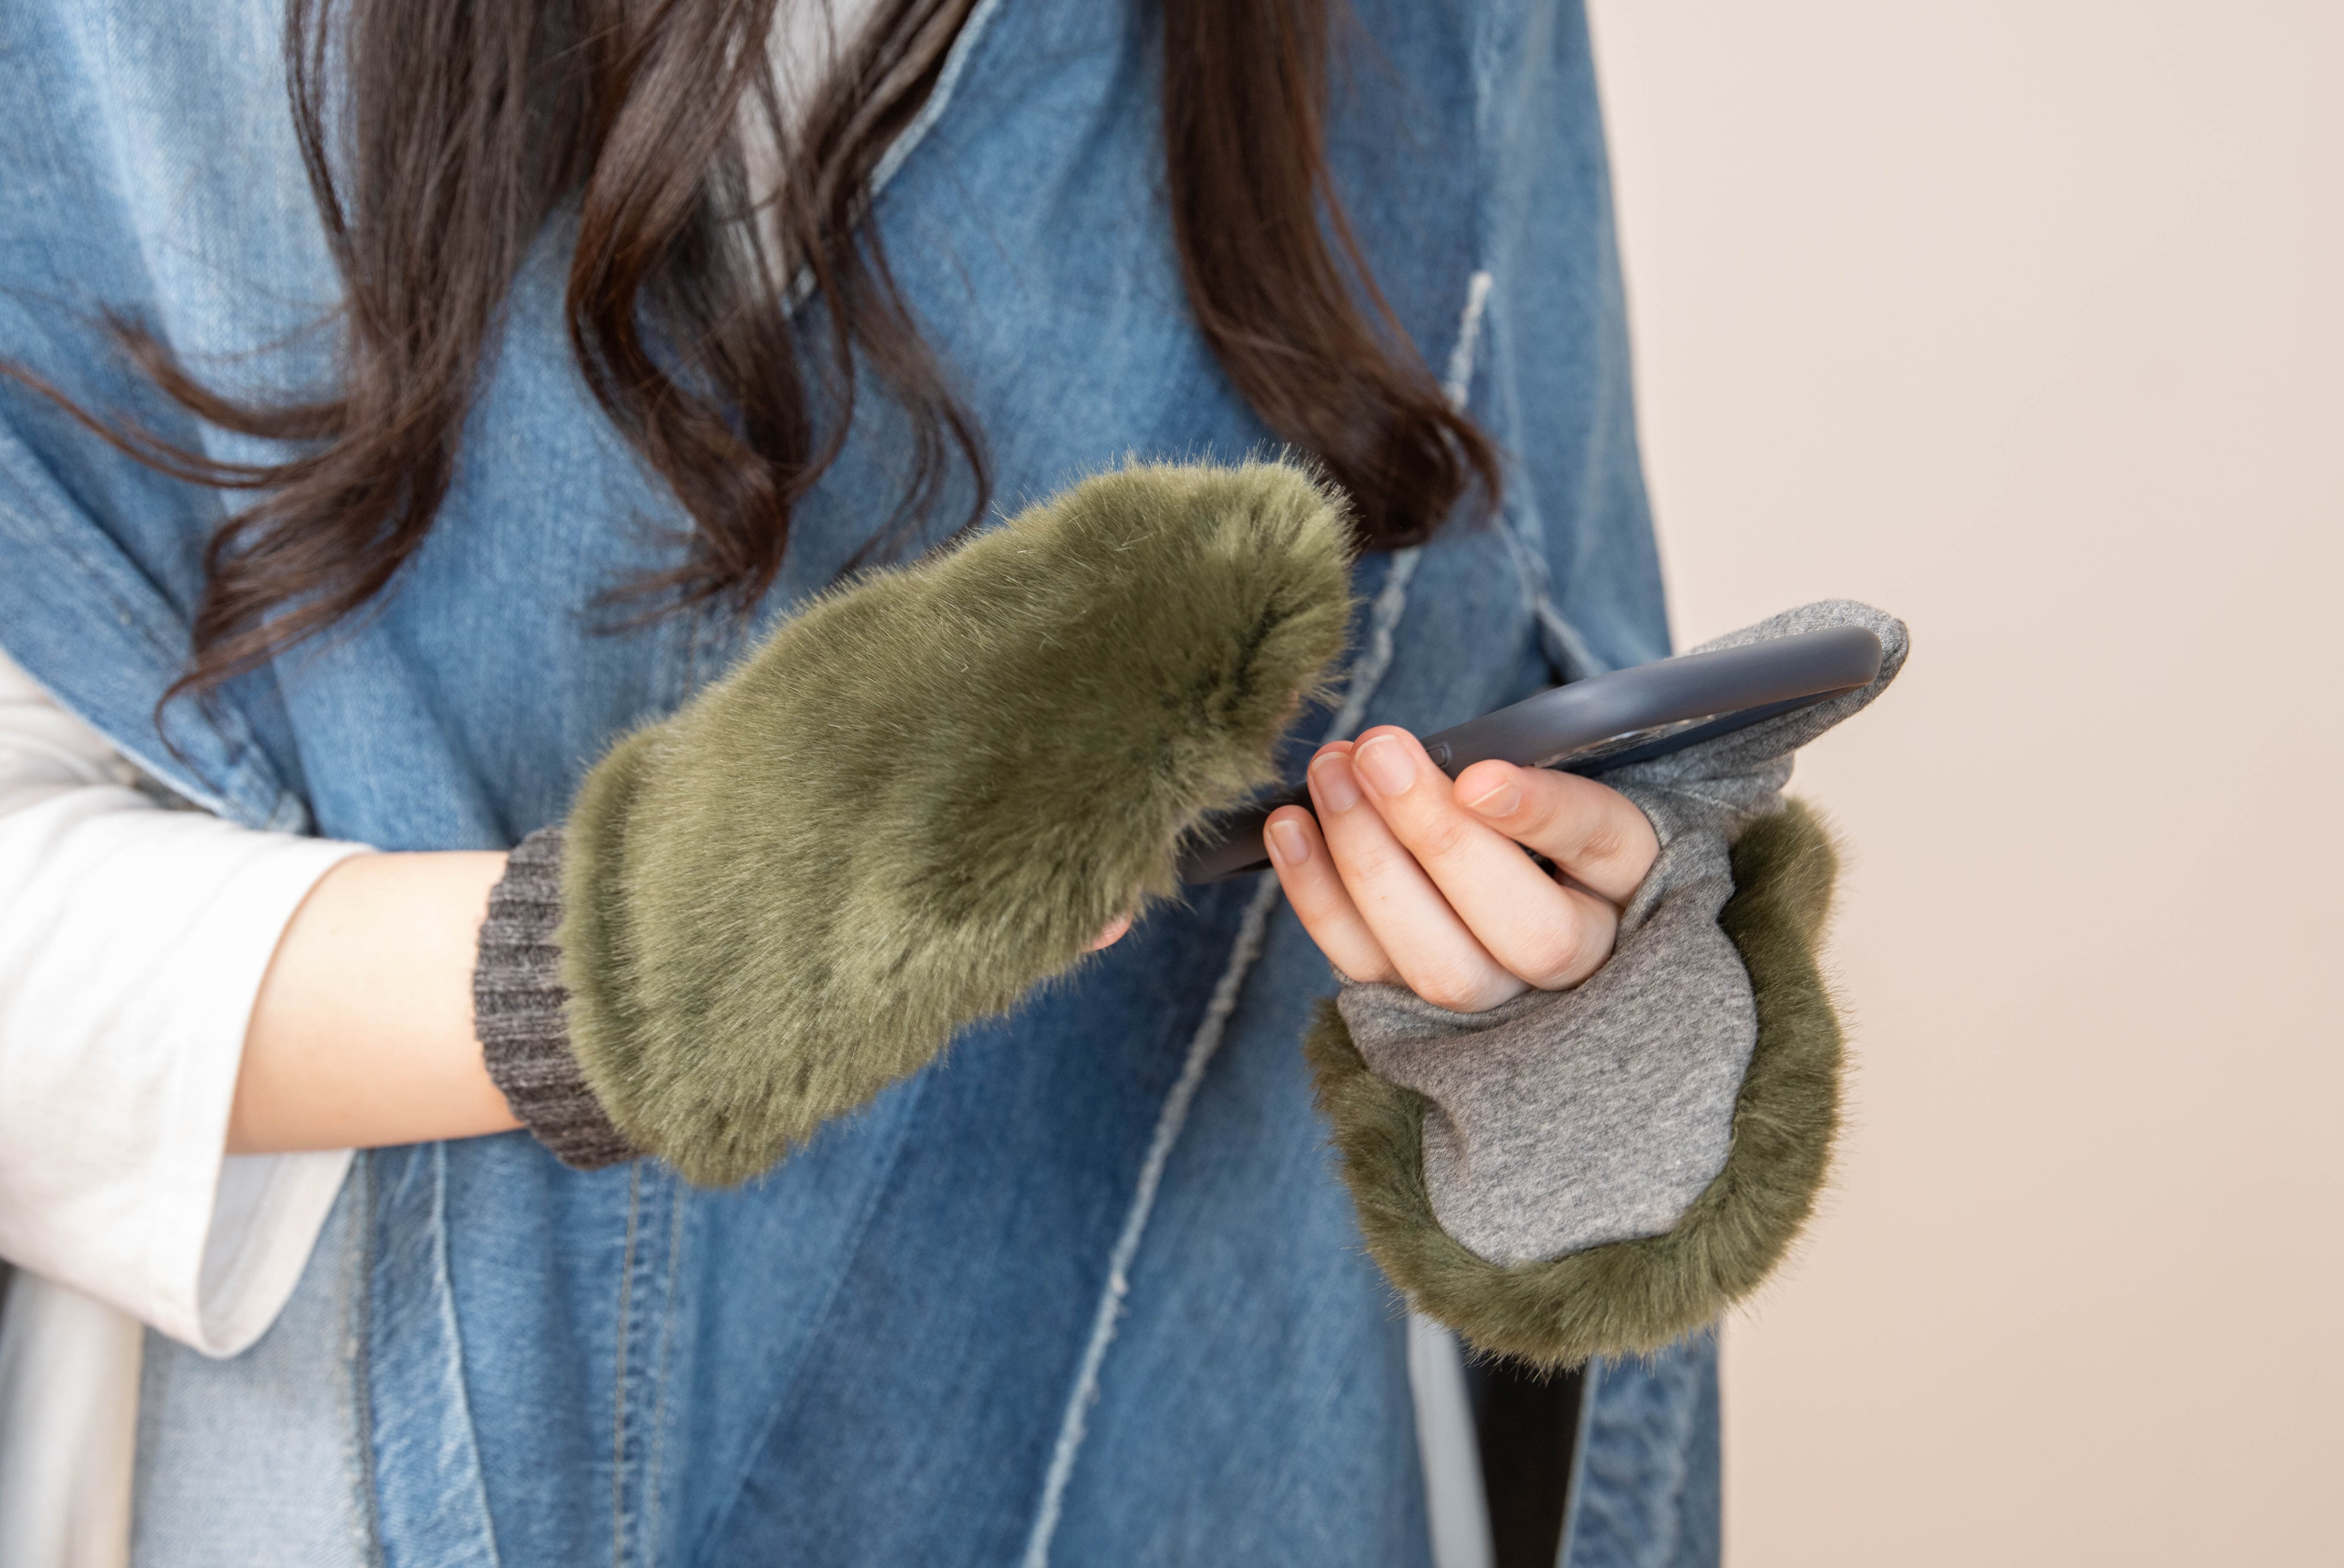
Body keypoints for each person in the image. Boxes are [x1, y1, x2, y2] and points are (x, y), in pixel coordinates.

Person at [0, 1, 1828, 1562]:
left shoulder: (1422, 41)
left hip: (1200, 1475)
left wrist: (1574, 1009)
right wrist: (643, 960)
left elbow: (1584, 780)